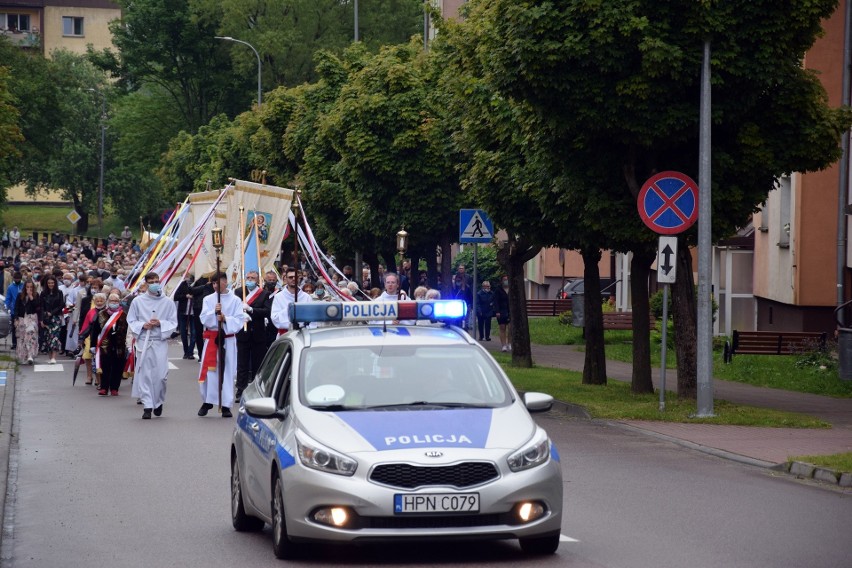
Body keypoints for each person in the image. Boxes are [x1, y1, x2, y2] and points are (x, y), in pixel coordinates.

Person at [198, 271, 249, 418]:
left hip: (228, 339)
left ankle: (226, 404)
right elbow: (203, 318)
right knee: (210, 372)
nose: (215, 286)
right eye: (213, 283)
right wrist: (213, 312)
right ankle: (208, 401)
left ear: (225, 282)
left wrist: (226, 318)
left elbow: (239, 319)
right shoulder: (208, 299)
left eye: (218, 282)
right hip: (213, 338)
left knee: (227, 372)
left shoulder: (235, 300)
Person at [127, 272, 178, 420]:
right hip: (144, 340)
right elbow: (131, 320)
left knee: (161, 376)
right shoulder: (138, 301)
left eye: (157, 281)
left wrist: (160, 323)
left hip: (159, 341)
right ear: (146, 284)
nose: (155, 283)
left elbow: (173, 322)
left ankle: (159, 401)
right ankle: (147, 405)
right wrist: (143, 325)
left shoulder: (167, 302)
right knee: (145, 374)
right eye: (152, 281)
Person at [235, 270, 272, 401]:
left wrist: (251, 310)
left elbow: (267, 312)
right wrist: (241, 312)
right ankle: (240, 389)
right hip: (243, 332)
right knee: (242, 363)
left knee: (258, 363)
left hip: (258, 333)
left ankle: (256, 390)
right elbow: (233, 309)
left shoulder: (264, 294)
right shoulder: (239, 292)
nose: (250, 280)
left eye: (252, 278)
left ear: (257, 280)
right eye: (248, 278)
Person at [90, 291, 128, 397]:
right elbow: (95, 331)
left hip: (119, 345)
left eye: (116, 301)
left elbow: (128, 330)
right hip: (105, 345)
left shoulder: (124, 315)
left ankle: (115, 388)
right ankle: (104, 387)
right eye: (112, 301)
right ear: (108, 302)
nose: (114, 302)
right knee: (105, 367)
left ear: (119, 302)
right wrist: (93, 345)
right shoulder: (101, 314)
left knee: (118, 367)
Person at [270, 267, 312, 337]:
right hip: (284, 335)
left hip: (304, 335)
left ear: (299, 278)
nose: (293, 279)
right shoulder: (278, 297)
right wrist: (290, 309)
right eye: (290, 277)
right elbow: (275, 318)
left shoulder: (307, 297)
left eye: (295, 277)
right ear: (285, 279)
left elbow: (312, 319)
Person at [39, 275, 64, 364]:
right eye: (49, 283)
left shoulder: (59, 292)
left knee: (55, 337)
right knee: (48, 338)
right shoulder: (43, 293)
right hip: (46, 318)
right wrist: (41, 319)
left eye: (52, 283)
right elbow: (41, 306)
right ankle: (50, 357)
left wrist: (52, 313)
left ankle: (54, 357)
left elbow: (61, 305)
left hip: (56, 318)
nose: (51, 284)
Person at [14, 280, 40, 365]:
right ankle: (23, 356)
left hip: (31, 318)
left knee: (31, 336)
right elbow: (16, 307)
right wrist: (16, 318)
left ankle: (30, 355)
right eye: (27, 287)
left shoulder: (36, 295)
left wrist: (31, 297)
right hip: (22, 318)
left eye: (31, 287)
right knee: (22, 338)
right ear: (24, 287)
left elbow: (37, 307)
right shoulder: (20, 295)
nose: (29, 289)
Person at [173, 273, 197, 359]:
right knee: (183, 333)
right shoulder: (182, 285)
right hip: (183, 313)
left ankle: (190, 352)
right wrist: (185, 296)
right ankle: (186, 351)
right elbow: (176, 297)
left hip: (194, 313)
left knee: (194, 334)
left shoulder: (198, 284)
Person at [493, 275, 511, 352]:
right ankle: (503, 345)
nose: (506, 281)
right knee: (502, 328)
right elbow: (496, 301)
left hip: (510, 311)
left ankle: (509, 343)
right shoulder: (498, 290)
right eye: (504, 279)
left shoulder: (512, 289)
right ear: (501, 281)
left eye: (507, 279)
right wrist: (497, 311)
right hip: (501, 311)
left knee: (511, 328)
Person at [6, 271, 23, 350]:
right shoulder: (10, 287)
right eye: (16, 279)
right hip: (13, 310)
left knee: (22, 326)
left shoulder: (23, 285)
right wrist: (7, 306)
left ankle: (22, 342)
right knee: (14, 327)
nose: (17, 280)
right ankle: (14, 343)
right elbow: (8, 298)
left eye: (18, 279)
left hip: (22, 309)